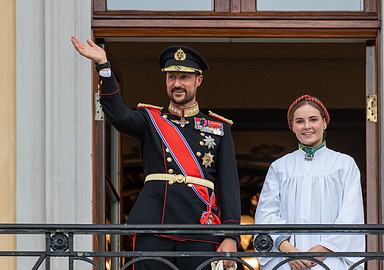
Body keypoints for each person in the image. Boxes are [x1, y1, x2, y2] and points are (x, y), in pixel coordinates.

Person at [71, 37, 241, 270]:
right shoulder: (150, 119)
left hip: (200, 226)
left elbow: (229, 185)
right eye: (171, 77)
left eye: (184, 77)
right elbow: (118, 115)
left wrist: (230, 235)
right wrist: (103, 66)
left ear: (198, 80)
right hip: (154, 222)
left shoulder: (219, 128)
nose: (177, 83)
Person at [254, 95, 365, 270]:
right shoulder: (280, 167)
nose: (307, 126)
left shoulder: (344, 164)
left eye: (313, 120)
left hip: (331, 259)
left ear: (325, 123)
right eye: (300, 121)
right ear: (292, 127)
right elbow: (266, 214)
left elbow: (351, 214)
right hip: (286, 260)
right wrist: (287, 249)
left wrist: (322, 250)